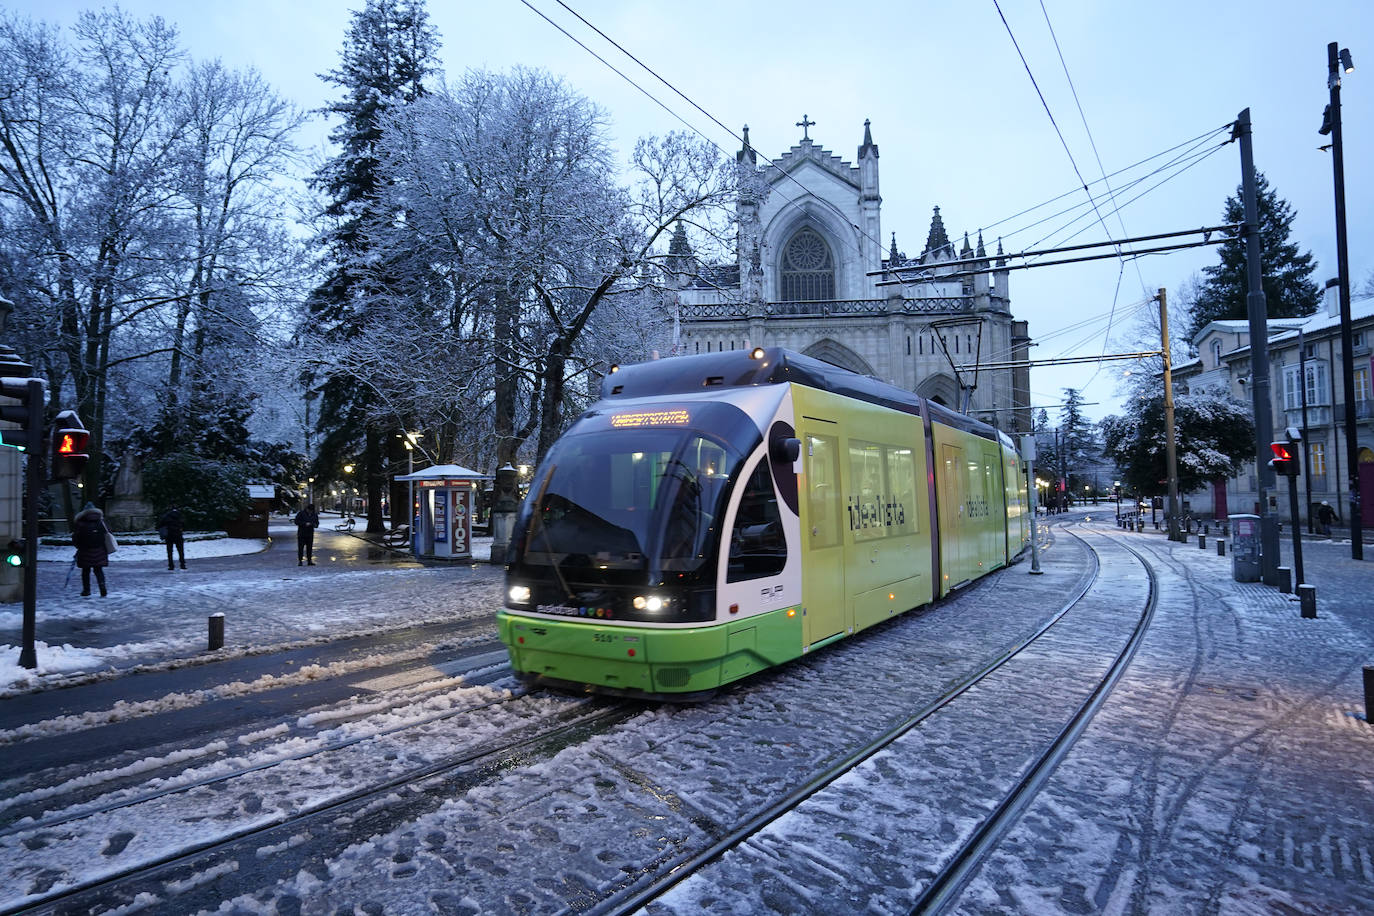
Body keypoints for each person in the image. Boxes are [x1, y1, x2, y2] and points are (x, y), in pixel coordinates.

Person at [71, 502, 112, 597]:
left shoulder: (80, 523)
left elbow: (76, 537)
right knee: (98, 570)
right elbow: (108, 534)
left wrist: (78, 546)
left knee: (85, 571)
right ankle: (102, 588)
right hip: (100, 550)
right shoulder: (101, 522)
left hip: (85, 550)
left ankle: (86, 590)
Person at [158, 504, 186, 570]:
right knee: (180, 550)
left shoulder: (166, 516)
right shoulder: (180, 515)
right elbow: (184, 523)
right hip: (178, 534)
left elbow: (161, 524)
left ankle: (171, 565)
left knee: (170, 551)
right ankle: (182, 565)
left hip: (169, 535)